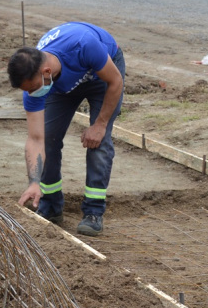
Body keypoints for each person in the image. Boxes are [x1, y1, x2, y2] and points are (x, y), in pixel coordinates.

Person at [7, 23, 125, 237]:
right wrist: (34, 181)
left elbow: (115, 81)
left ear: (46, 72)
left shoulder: (83, 45)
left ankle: (93, 213)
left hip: (102, 77)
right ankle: (50, 207)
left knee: (99, 140)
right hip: (62, 86)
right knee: (49, 136)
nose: (32, 94)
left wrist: (99, 125)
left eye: (33, 89)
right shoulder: (35, 86)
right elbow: (35, 138)